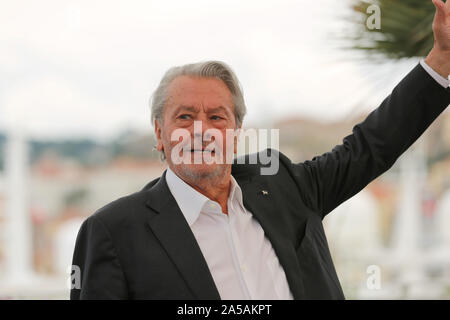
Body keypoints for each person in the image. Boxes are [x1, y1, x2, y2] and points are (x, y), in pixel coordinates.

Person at [70, 0, 450, 299]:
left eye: (217, 117)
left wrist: (441, 61)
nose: (201, 130)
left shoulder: (284, 185)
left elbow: (371, 146)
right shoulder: (113, 231)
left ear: (236, 131)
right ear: (159, 132)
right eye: (185, 116)